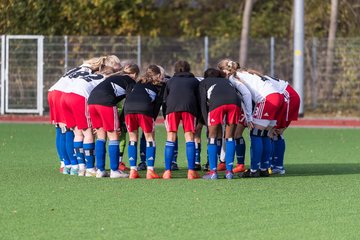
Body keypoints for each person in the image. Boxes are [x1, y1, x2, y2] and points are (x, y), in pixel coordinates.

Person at [219, 59, 284, 178]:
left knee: (256, 134)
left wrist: (248, 117)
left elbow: (246, 94)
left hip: (267, 99)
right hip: (278, 98)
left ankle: (254, 170)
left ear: (225, 71)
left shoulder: (234, 77)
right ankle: (264, 168)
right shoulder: (245, 72)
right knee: (264, 134)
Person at [60, 55, 121, 177]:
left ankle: (78, 168)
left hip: (65, 97)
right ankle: (89, 169)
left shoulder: (91, 74)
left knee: (77, 133)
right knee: (88, 134)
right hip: (79, 97)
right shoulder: (106, 78)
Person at [48, 56, 107, 174]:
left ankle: (66, 164)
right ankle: (77, 166)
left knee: (62, 130)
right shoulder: (90, 72)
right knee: (75, 131)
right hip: (65, 94)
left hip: (53, 92)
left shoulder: (79, 68)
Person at [88, 63, 139, 178]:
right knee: (113, 136)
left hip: (91, 102)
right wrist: (121, 122)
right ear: (135, 74)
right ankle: (114, 170)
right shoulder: (131, 82)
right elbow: (129, 103)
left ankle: (100, 170)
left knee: (100, 137)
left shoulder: (114, 77)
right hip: (106, 102)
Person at [199, 68, 242, 179]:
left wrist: (205, 120)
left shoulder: (204, 82)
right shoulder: (227, 81)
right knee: (230, 137)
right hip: (235, 103)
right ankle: (229, 172)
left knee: (212, 137)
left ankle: (213, 172)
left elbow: (203, 103)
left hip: (217, 104)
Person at [123, 65, 165, 179]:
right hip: (144, 109)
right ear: (157, 76)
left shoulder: (135, 84)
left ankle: (133, 170)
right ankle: (150, 170)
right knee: (150, 139)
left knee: (132, 139)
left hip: (128, 109)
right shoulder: (157, 88)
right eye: (161, 75)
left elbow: (127, 98)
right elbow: (156, 107)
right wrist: (153, 119)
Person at [162, 60, 200, 179]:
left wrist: (164, 115)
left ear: (175, 69)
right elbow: (199, 99)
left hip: (171, 108)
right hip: (189, 108)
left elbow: (164, 100)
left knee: (171, 138)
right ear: (188, 69)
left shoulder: (170, 81)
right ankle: (191, 172)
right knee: (189, 138)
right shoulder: (194, 81)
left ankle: (167, 171)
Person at [263, 75, 300, 175]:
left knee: (273, 132)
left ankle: (273, 166)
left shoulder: (254, 80)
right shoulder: (256, 78)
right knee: (273, 132)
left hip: (288, 99)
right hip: (285, 99)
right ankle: (274, 166)